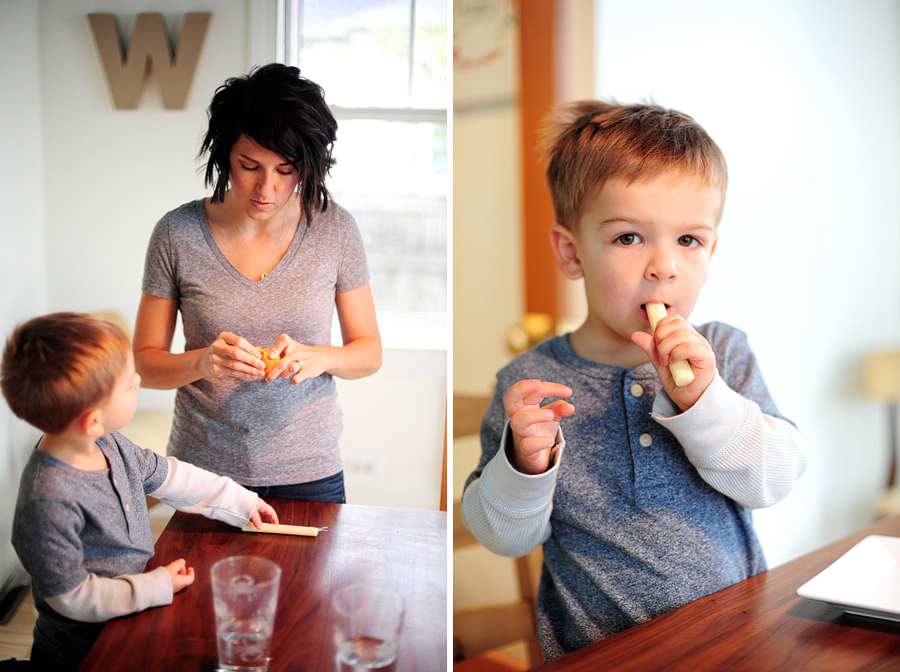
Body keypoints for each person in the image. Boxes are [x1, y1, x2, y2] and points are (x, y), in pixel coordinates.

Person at [461, 101, 809, 660]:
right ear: (572, 253)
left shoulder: (723, 351)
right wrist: (523, 468)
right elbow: (504, 537)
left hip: (737, 646)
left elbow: (776, 478)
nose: (663, 266)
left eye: (688, 241)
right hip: (600, 655)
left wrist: (705, 402)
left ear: (710, 251)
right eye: (629, 238)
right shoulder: (531, 382)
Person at [132, 63, 382, 503]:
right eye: (250, 166)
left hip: (310, 471)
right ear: (226, 154)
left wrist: (319, 357)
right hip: (203, 473)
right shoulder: (177, 233)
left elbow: (369, 352)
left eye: (286, 170)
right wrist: (203, 362)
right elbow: (143, 364)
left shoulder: (335, 230)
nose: (266, 188)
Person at [0, 313, 279, 672]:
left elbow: (170, 476)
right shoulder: (48, 498)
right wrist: (152, 586)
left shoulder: (107, 443)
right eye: (130, 385)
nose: (139, 381)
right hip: (83, 654)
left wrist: (240, 500)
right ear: (93, 420)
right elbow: (73, 597)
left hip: (132, 624)